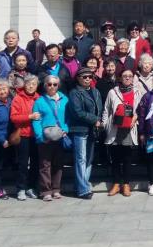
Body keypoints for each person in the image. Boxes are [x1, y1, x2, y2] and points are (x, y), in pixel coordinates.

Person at [67, 67, 103, 199]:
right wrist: (95, 120)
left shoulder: (95, 91)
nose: (88, 79)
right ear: (78, 78)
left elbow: (100, 109)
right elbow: (77, 112)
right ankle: (83, 189)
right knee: (81, 159)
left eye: (90, 77)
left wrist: (99, 120)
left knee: (88, 159)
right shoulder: (74, 93)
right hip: (80, 129)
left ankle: (81, 185)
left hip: (93, 130)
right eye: (84, 77)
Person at [32, 75, 69, 201]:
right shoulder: (39, 101)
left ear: (58, 86)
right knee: (45, 165)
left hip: (60, 136)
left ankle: (56, 189)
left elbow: (68, 117)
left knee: (58, 164)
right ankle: (46, 191)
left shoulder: (65, 99)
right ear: (45, 86)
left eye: (55, 84)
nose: (52, 86)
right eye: (49, 84)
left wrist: (66, 130)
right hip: (45, 138)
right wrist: (40, 136)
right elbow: (36, 121)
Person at [102, 69, 138, 197]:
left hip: (129, 129)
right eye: (125, 76)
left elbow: (140, 109)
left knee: (127, 158)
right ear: (120, 78)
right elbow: (106, 109)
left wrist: (136, 117)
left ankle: (126, 184)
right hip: (115, 129)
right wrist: (105, 125)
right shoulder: (113, 92)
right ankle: (116, 184)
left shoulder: (137, 91)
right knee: (116, 158)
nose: (127, 78)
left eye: (130, 76)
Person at [9, 74, 41, 200]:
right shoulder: (18, 98)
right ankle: (21, 188)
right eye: (28, 84)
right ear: (24, 85)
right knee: (22, 164)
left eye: (34, 84)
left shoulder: (39, 98)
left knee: (35, 163)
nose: (31, 86)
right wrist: (29, 116)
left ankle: (31, 187)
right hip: (23, 135)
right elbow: (14, 117)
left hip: (36, 135)